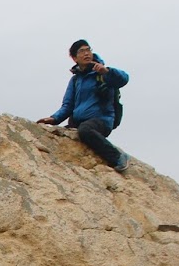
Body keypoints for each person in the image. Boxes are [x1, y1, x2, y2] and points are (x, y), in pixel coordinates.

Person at [37, 39, 130, 172]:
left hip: (101, 120)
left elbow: (124, 79)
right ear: (74, 58)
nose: (86, 53)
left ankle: (118, 157)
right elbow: (68, 105)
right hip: (78, 122)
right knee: (60, 134)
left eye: (88, 50)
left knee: (85, 131)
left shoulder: (102, 73)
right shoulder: (76, 80)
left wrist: (106, 71)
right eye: (82, 51)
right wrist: (54, 118)